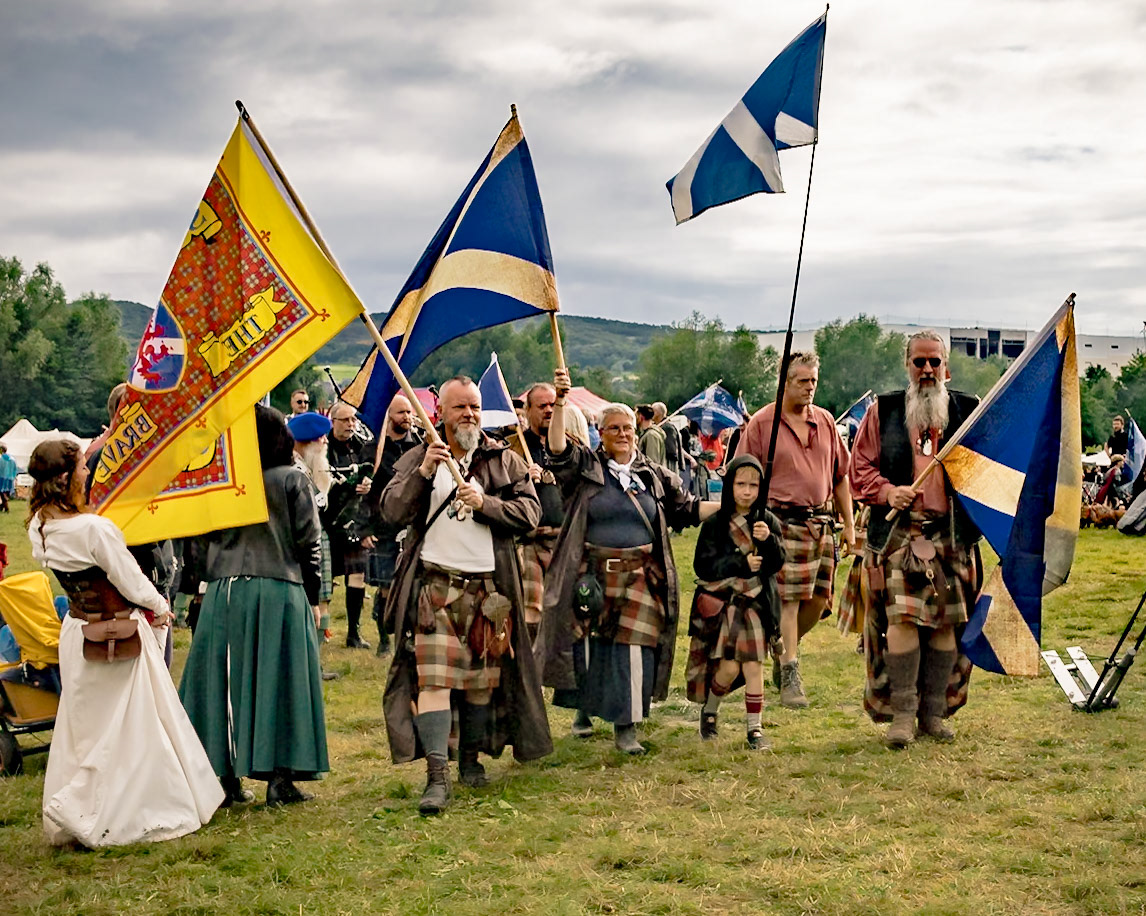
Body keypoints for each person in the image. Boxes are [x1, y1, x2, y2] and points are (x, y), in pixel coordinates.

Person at [27, 438, 223, 846]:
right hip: (117, 630)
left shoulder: (40, 526)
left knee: (87, 724)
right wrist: (160, 606)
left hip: (79, 629)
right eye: (82, 467)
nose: (87, 472)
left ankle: (87, 803)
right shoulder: (93, 529)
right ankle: (117, 810)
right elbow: (130, 579)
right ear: (66, 478)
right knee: (131, 723)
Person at [380, 376, 551, 815]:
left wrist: (485, 503)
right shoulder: (419, 457)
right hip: (434, 589)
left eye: (474, 406)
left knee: (480, 685)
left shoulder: (503, 459)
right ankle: (437, 777)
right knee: (434, 682)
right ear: (440, 413)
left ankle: (471, 759)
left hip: (489, 593)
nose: (469, 415)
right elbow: (391, 511)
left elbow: (530, 514)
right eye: (460, 407)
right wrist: (423, 472)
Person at [538, 403, 718, 755]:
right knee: (592, 647)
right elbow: (557, 449)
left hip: (640, 576)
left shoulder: (652, 474)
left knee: (633, 650)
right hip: (592, 575)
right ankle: (584, 709)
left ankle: (627, 728)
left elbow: (687, 508)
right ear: (600, 434)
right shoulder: (585, 468)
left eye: (628, 428)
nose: (623, 434)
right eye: (614, 428)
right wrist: (559, 402)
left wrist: (733, 506)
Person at [180, 406, 328, 804]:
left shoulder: (221, 485)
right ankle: (281, 779)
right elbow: (309, 542)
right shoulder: (292, 479)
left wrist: (203, 584)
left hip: (224, 591)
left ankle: (224, 780)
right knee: (282, 681)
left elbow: (197, 544)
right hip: (281, 588)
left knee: (222, 683)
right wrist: (313, 595)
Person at [850, 330, 982, 748]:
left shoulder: (969, 411)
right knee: (901, 621)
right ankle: (903, 716)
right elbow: (859, 469)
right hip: (899, 534)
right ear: (907, 365)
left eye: (934, 362)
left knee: (946, 626)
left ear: (946, 366)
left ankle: (932, 715)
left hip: (951, 533)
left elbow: (989, 470)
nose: (927, 369)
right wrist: (888, 492)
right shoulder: (884, 410)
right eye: (919, 362)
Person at [736, 352, 855, 708]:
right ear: (784, 383)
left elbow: (841, 476)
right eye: (802, 381)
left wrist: (849, 525)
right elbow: (741, 476)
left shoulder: (826, 421)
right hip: (779, 523)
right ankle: (790, 671)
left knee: (818, 601)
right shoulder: (763, 423)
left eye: (813, 380)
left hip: (821, 523)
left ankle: (780, 646)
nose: (809, 387)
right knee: (787, 600)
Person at [687, 455, 785, 750]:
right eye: (741, 484)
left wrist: (768, 541)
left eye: (754, 486)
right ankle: (710, 710)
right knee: (729, 669)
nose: (747, 491)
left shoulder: (767, 521)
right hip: (726, 605)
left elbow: (777, 562)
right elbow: (703, 566)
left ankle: (755, 729)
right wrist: (740, 563)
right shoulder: (716, 524)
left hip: (757, 605)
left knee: (754, 666)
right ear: (729, 485)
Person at [367, 394, 422, 655]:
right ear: (389, 416)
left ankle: (407, 637)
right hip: (384, 526)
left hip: (413, 526)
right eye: (401, 412)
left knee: (413, 585)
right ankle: (384, 640)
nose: (407, 417)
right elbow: (365, 493)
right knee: (386, 586)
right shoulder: (375, 449)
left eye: (409, 412)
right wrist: (365, 528)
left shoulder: (419, 446)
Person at [288, 410, 340, 682]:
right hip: (302, 547)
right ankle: (305, 666)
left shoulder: (310, 470)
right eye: (321, 439)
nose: (326, 443)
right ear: (307, 443)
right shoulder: (296, 473)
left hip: (318, 540)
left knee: (323, 601)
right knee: (309, 605)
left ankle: (314, 664)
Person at [517, 376, 570, 643]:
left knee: (566, 608)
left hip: (565, 540)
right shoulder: (513, 448)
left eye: (552, 404)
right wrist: (521, 477)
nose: (549, 410)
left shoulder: (570, 447)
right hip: (530, 541)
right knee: (531, 612)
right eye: (542, 406)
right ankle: (531, 663)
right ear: (528, 410)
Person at [325, 401, 377, 648]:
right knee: (325, 579)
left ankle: (353, 634)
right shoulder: (322, 447)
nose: (350, 424)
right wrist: (345, 487)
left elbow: (373, 473)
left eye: (353, 420)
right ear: (332, 421)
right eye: (345, 420)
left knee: (357, 575)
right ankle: (321, 630)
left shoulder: (362, 447)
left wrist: (368, 484)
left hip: (355, 521)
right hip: (329, 521)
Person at [652, 402, 682, 474]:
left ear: (658, 413)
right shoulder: (659, 426)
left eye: (653, 411)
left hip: (668, 462)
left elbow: (671, 450)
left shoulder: (667, 427)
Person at [0, 443, 16, 513]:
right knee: (6, 493)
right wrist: (13, 477)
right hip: (10, 479)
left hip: (2, 478)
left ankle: (6, 508)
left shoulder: (1, 458)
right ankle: (2, 507)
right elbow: (15, 469)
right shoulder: (12, 459)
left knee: (2, 493)